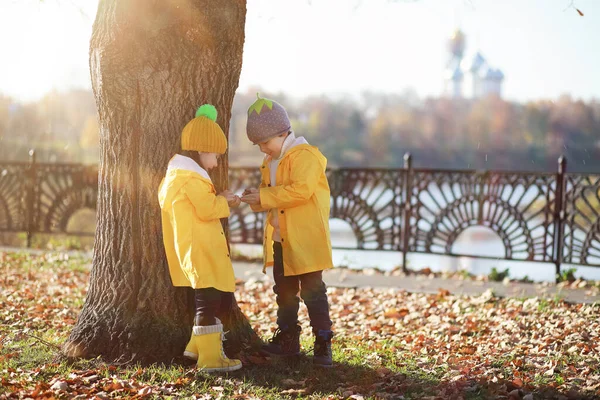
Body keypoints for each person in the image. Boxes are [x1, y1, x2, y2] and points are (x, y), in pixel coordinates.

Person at [241, 95, 334, 367]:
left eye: (265, 143)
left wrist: (264, 196)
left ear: (283, 133)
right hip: (282, 239)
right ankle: (288, 339)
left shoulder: (306, 156)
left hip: (306, 239)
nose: (262, 149)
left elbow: (300, 191)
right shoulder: (271, 160)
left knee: (313, 292)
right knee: (284, 291)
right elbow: (272, 199)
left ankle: (323, 341)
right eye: (258, 145)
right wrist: (255, 198)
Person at [158, 104, 242, 372]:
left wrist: (220, 199)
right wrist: (224, 200)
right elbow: (206, 209)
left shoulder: (179, 176)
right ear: (202, 150)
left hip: (195, 247)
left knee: (208, 299)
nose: (217, 162)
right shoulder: (190, 178)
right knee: (208, 301)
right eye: (215, 156)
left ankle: (196, 347)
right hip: (200, 248)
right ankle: (210, 359)